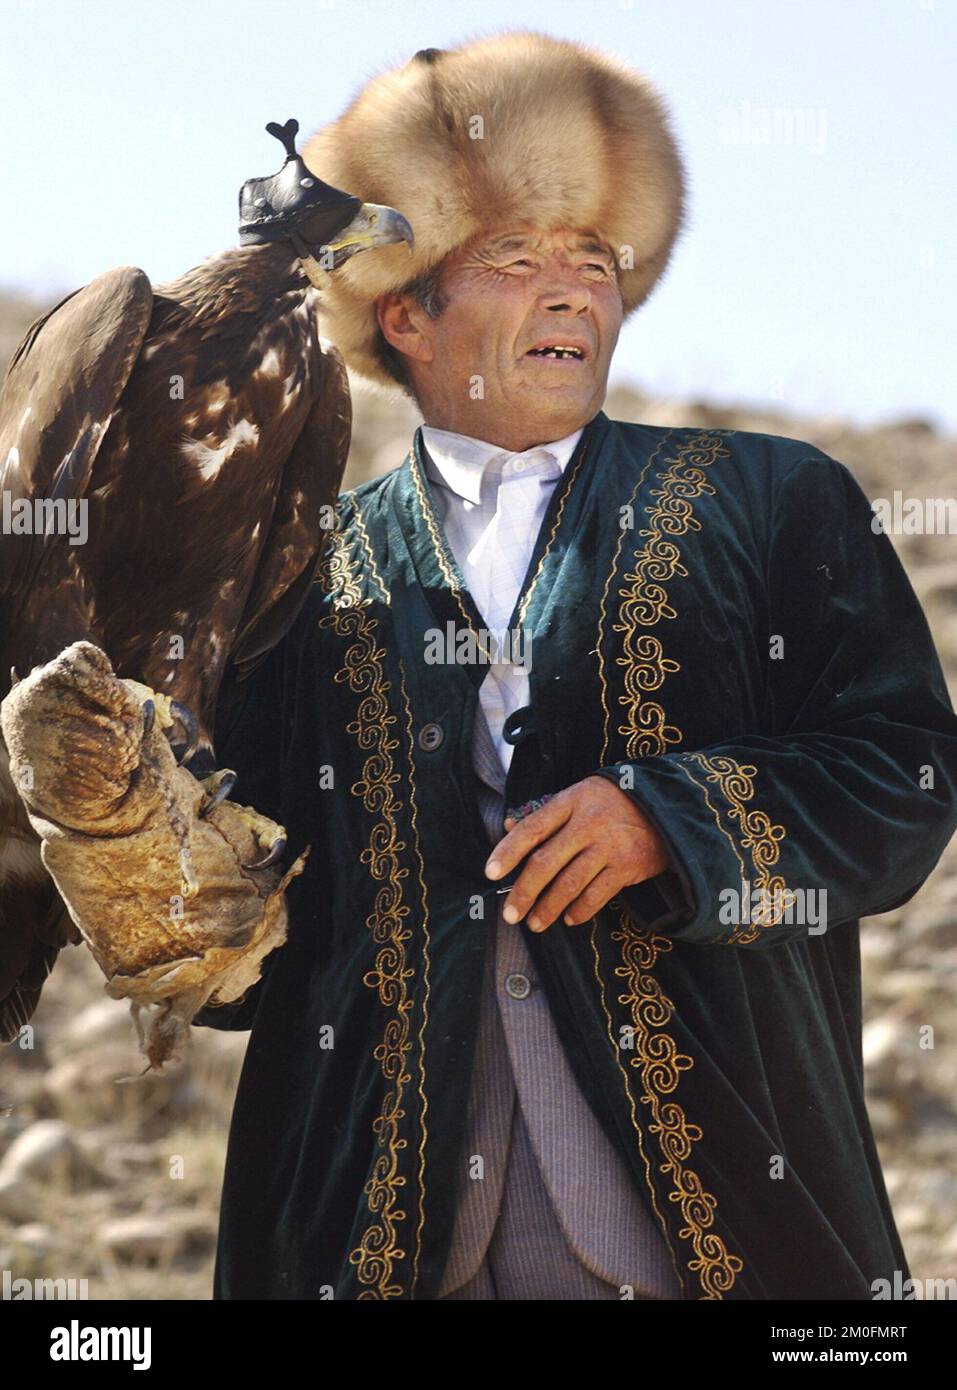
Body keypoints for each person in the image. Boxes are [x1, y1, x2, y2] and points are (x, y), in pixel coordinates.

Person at [192, 31, 957, 1301]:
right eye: (516, 259)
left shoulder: (772, 501)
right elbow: (255, 935)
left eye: (595, 261)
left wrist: (674, 818)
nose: (575, 294)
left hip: (714, 1219)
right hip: (362, 1229)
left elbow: (907, 776)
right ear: (406, 314)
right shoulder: (297, 573)